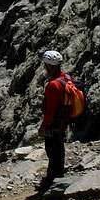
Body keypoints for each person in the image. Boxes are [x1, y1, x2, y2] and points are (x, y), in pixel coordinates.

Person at [36, 49, 69, 191]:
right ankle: (58, 175)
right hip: (63, 121)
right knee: (59, 148)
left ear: (49, 66)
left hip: (54, 122)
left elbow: (51, 110)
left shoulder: (53, 85)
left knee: (52, 150)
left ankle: (52, 180)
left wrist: (44, 125)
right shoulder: (65, 77)